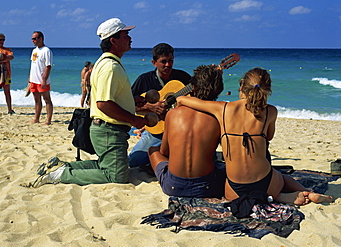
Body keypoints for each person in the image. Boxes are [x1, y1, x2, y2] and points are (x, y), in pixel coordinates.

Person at [177, 67, 333, 205]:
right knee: (281, 177)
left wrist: (179, 101)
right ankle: (306, 192)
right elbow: (269, 137)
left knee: (229, 189)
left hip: (234, 191)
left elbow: (183, 100)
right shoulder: (270, 111)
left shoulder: (223, 109)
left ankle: (275, 197)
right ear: (267, 90)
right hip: (266, 183)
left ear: (242, 87)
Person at [31, 18, 148, 187]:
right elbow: (103, 104)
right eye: (125, 35)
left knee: (108, 166)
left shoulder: (105, 62)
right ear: (113, 41)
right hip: (109, 130)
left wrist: (131, 100)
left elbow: (105, 97)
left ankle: (62, 166)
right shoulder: (110, 67)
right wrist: (134, 120)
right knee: (117, 176)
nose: (130, 38)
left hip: (106, 129)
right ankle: (61, 174)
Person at [148, 64, 226, 198]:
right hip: (207, 187)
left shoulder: (173, 113)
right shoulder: (219, 116)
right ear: (219, 90)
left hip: (173, 186)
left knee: (153, 151)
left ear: (193, 88)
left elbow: (164, 152)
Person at [128, 43, 191, 168]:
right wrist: (150, 107)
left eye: (171, 60)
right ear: (154, 62)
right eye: (163, 61)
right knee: (134, 162)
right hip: (155, 131)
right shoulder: (144, 80)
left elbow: (198, 96)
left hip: (180, 130)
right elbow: (129, 105)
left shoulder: (182, 77)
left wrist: (210, 76)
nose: (168, 65)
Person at [28, 31, 53, 125]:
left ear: (40, 39)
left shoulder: (46, 51)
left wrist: (44, 80)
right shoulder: (34, 50)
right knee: (37, 100)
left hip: (42, 80)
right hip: (34, 80)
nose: (33, 40)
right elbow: (33, 64)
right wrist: (30, 77)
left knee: (47, 100)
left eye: (35, 38)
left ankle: (48, 120)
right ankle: (36, 118)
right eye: (32, 39)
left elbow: (48, 66)